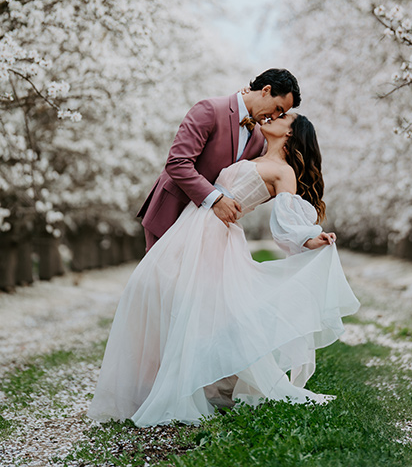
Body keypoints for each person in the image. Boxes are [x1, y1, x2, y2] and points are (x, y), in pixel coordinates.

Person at [87, 111, 360, 427]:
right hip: (189, 227)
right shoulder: (254, 149)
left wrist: (312, 238)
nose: (275, 117)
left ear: (291, 133)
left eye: (284, 117)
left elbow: (285, 222)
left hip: (216, 237)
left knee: (191, 308)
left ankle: (179, 387)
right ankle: (149, 384)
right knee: (149, 287)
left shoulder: (283, 172)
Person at [137, 68, 301, 251]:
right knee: (162, 278)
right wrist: (216, 199)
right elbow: (178, 163)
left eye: (280, 114)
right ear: (265, 90)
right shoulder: (210, 109)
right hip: (172, 211)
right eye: (277, 108)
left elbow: (258, 180)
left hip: (205, 228)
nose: (274, 116)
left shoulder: (259, 137)